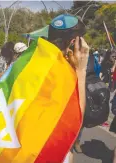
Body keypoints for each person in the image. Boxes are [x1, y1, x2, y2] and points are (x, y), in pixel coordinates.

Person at [46, 14, 89, 163]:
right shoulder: (64, 74)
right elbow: (76, 117)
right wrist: (81, 70)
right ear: (73, 42)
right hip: (48, 150)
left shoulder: (29, 60)